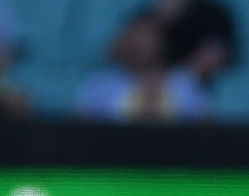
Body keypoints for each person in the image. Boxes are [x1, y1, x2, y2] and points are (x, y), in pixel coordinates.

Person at [76, 12, 210, 122]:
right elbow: (79, 125)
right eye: (136, 40)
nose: (141, 45)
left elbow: (207, 125)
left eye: (148, 40)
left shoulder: (184, 83)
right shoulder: (103, 84)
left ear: (161, 44)